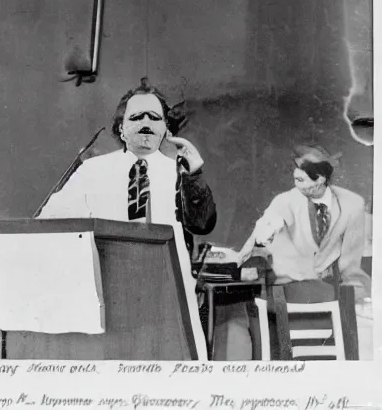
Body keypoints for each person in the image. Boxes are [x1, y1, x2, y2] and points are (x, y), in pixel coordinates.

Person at [39, 78, 217, 360]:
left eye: (155, 117)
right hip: (110, 298)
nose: (146, 123)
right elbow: (48, 221)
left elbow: (202, 224)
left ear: (165, 129)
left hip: (167, 298)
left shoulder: (180, 173)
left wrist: (194, 173)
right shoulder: (92, 171)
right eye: (136, 117)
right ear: (121, 129)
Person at [214, 145, 370, 360]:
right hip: (288, 286)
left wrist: (352, 289)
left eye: (301, 180)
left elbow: (352, 254)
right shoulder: (286, 200)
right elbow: (267, 224)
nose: (296, 185)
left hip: (332, 288)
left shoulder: (351, 204)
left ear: (320, 180)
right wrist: (261, 238)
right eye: (295, 179)